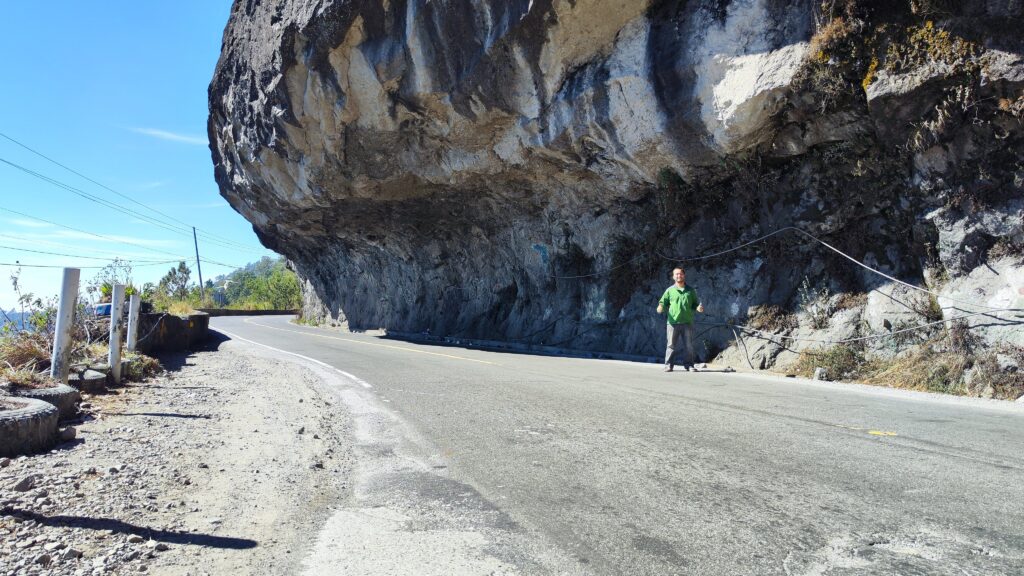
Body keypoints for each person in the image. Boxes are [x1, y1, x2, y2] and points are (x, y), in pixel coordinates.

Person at [657, 267, 704, 372]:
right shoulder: (669, 290)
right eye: (676, 274)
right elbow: (662, 302)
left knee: (689, 345)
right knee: (671, 345)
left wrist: (699, 308)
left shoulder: (690, 291)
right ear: (673, 277)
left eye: (681, 274)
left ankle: (689, 365)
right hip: (672, 323)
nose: (679, 276)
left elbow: (695, 304)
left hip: (687, 322)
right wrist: (660, 307)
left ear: (684, 275)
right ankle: (668, 365)